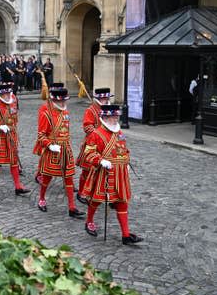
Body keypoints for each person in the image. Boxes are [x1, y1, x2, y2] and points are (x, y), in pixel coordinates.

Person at [79, 104, 143, 245]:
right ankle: (89, 221)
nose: (116, 119)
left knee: (122, 202)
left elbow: (124, 149)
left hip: (120, 173)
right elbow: (88, 153)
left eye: (116, 116)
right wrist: (100, 160)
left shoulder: (119, 133)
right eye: (113, 117)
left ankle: (126, 235)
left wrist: (126, 162)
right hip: (104, 172)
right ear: (105, 117)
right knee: (96, 199)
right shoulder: (96, 134)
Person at [33, 85, 84, 219]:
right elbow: (41, 135)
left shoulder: (65, 112)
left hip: (65, 149)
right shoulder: (46, 113)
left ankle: (72, 207)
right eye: (61, 101)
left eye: (65, 100)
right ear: (54, 100)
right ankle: (42, 199)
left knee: (68, 177)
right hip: (53, 150)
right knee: (47, 177)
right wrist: (50, 145)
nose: (64, 103)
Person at [0, 82, 30, 195]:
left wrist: (13, 129)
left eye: (9, 93)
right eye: (6, 94)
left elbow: (14, 119)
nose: (9, 96)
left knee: (14, 161)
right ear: (1, 95)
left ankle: (18, 186)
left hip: (11, 136)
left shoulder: (12, 105)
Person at [76, 88, 114, 204]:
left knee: (106, 171)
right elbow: (87, 127)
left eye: (107, 98)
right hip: (92, 144)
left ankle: (104, 192)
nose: (106, 100)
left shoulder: (110, 110)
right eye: (104, 98)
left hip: (107, 146)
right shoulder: (90, 110)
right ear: (98, 98)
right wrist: (99, 134)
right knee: (87, 171)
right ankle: (81, 192)